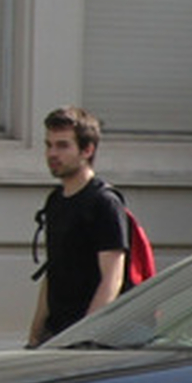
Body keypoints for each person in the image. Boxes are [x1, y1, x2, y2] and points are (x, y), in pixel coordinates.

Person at [27, 106, 129, 345]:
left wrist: (83, 338)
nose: (52, 153)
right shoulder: (55, 201)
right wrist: (34, 336)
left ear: (87, 149)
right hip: (58, 336)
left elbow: (112, 278)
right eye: (48, 145)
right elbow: (53, 271)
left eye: (62, 145)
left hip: (93, 342)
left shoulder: (104, 203)